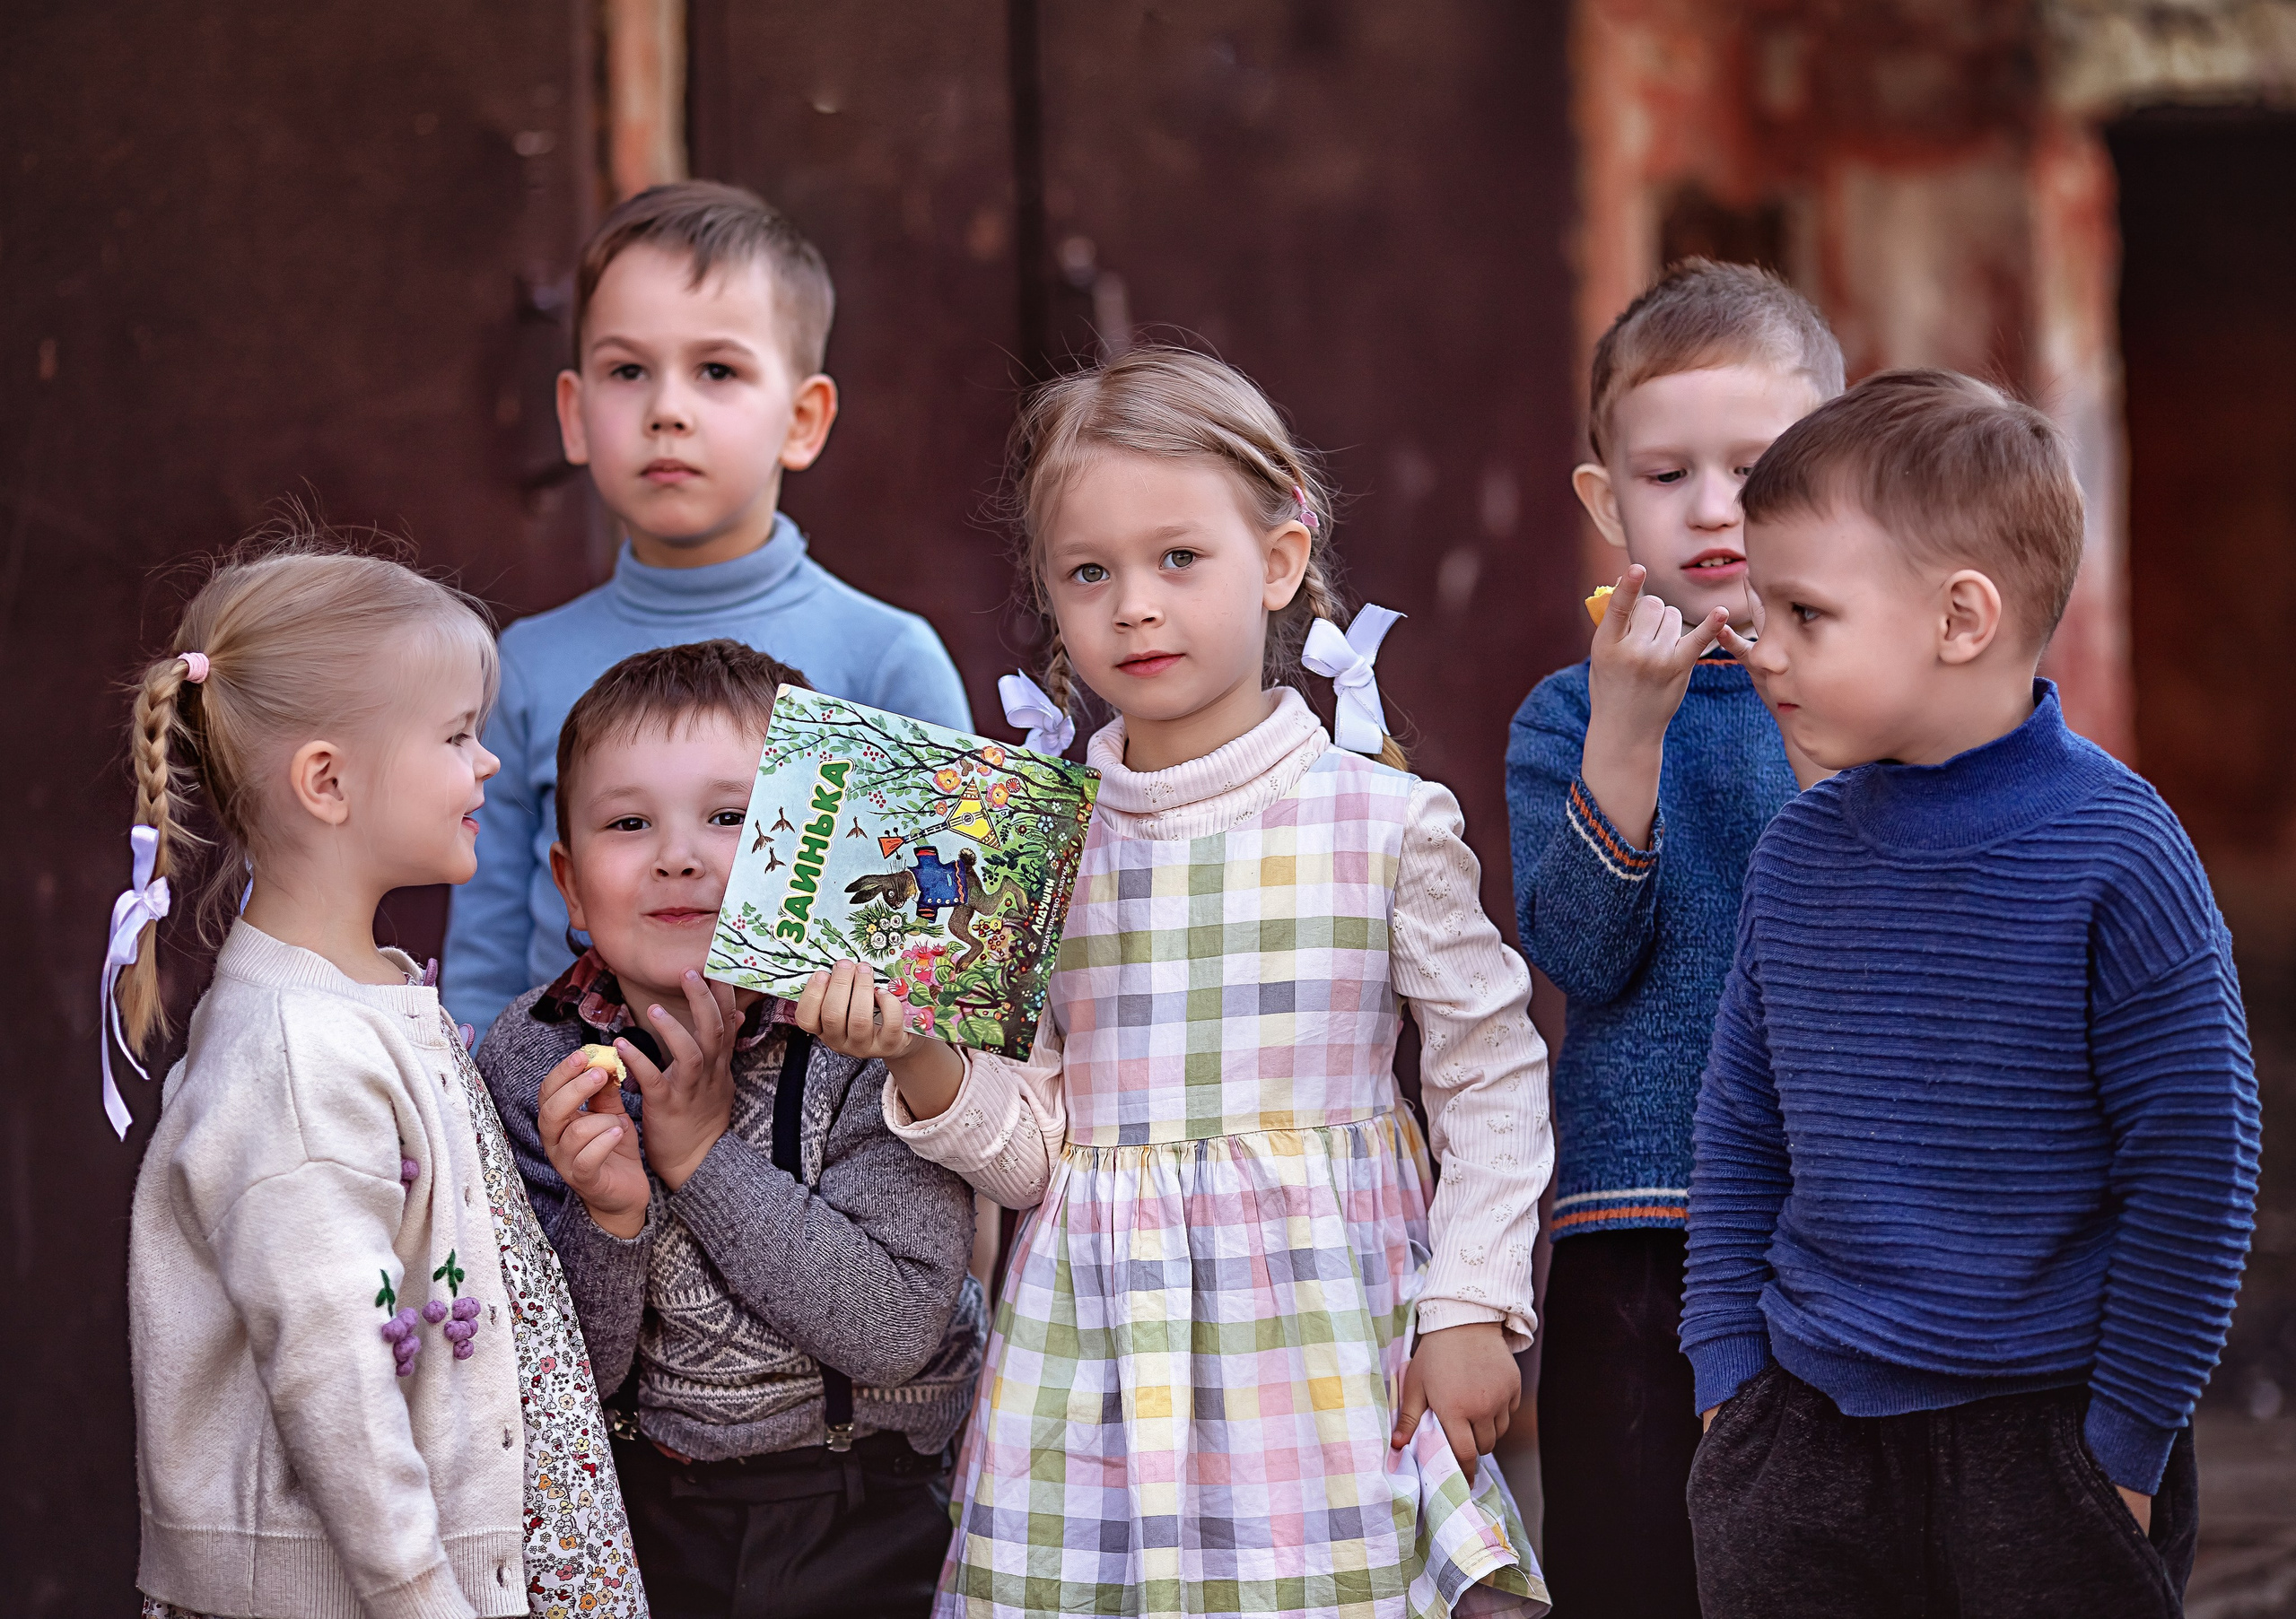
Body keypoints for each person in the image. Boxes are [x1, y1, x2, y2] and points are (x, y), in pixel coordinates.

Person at [798, 346, 1556, 1617]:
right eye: (1088, 573)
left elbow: (1489, 1067)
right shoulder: (1022, 850)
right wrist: (915, 1057)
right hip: (1098, 1376)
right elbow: (1040, 1151)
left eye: (1177, 560)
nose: (1133, 607)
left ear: (1275, 560)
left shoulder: (1379, 822)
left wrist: (1472, 1299)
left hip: (1335, 1348)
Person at [1683, 370, 2258, 1618]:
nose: (1757, 646)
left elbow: (2195, 1168)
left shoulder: (2118, 853)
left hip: (2044, 1448)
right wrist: (1729, 1382)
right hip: (1805, 1438)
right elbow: (1738, 1128)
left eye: (1801, 613)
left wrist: (2122, 1444)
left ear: (1959, 618)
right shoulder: (1792, 854)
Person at [114, 543, 644, 1619]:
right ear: (327, 781)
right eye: (455, 736)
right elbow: (335, 1384)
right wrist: (422, 1600)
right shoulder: (299, 1054)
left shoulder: (369, 996)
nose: (488, 763)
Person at [474, 640, 986, 1619]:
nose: (680, 853)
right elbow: (555, 1380)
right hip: (643, 1519)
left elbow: (891, 1333)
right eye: (629, 822)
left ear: (818, 851)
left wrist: (701, 1156)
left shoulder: (875, 1038)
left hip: (870, 1511)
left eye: (732, 816)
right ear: (571, 885)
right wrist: (613, 1215)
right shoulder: (535, 1059)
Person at [1501, 258, 1840, 1615]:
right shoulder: (1559, 716)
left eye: (1754, 470)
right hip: (1636, 1228)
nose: (1711, 510)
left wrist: (1816, 706)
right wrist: (1625, 732)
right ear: (1603, 497)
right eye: (1664, 474)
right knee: (1636, 1560)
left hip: (1843, 1215)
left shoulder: (1868, 696)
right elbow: (1580, 954)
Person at [445, 180, 973, 1042]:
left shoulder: (884, 659)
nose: (667, 411)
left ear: (803, 419)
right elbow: (483, 968)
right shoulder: (527, 668)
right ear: (574, 416)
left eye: (716, 370)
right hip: (570, 1130)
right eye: (628, 371)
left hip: (813, 1151)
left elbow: (944, 966)